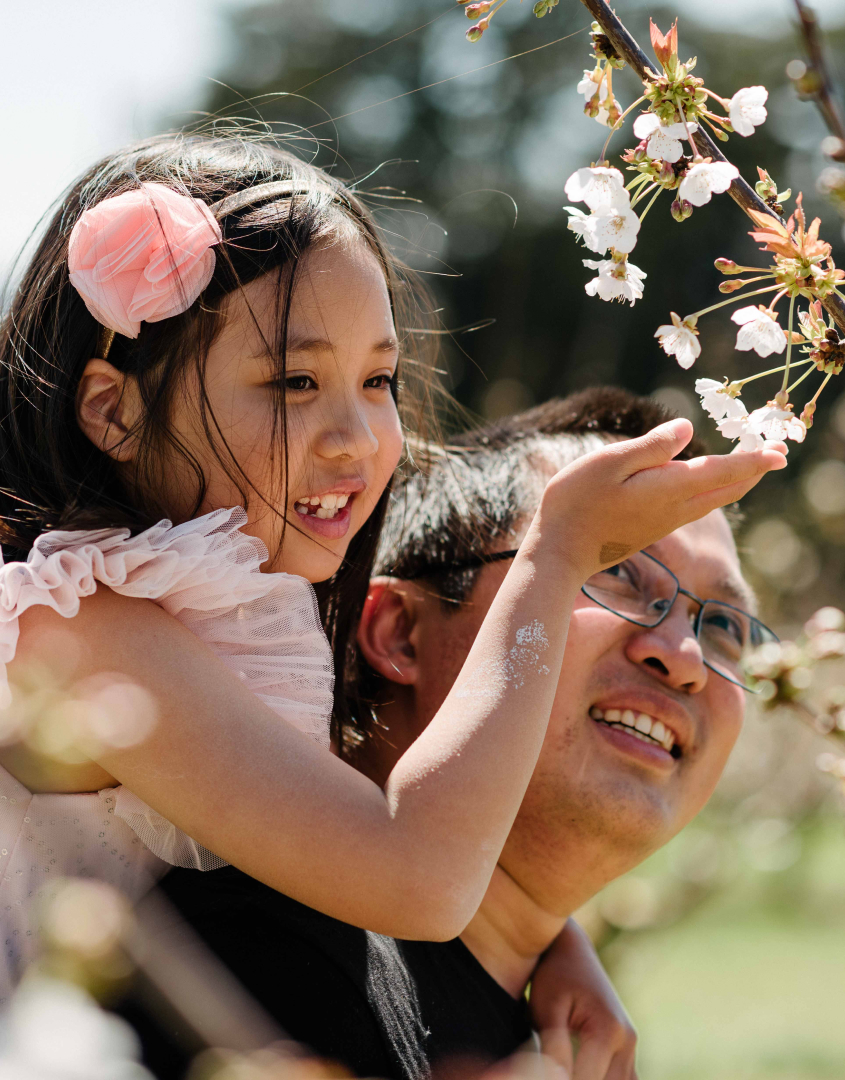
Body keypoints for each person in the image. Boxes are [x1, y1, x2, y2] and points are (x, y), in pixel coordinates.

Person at [0, 133, 787, 1009]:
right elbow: (417, 874)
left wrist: (547, 942)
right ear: (114, 408)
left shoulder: (220, 616)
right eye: (295, 382)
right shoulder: (74, 629)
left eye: (379, 380)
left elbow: (352, 818)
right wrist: (557, 554)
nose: (359, 438)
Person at [148, 388, 776, 1080]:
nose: (684, 657)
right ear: (400, 633)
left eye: (724, 627)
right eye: (614, 566)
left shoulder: (560, 1040)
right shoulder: (249, 965)